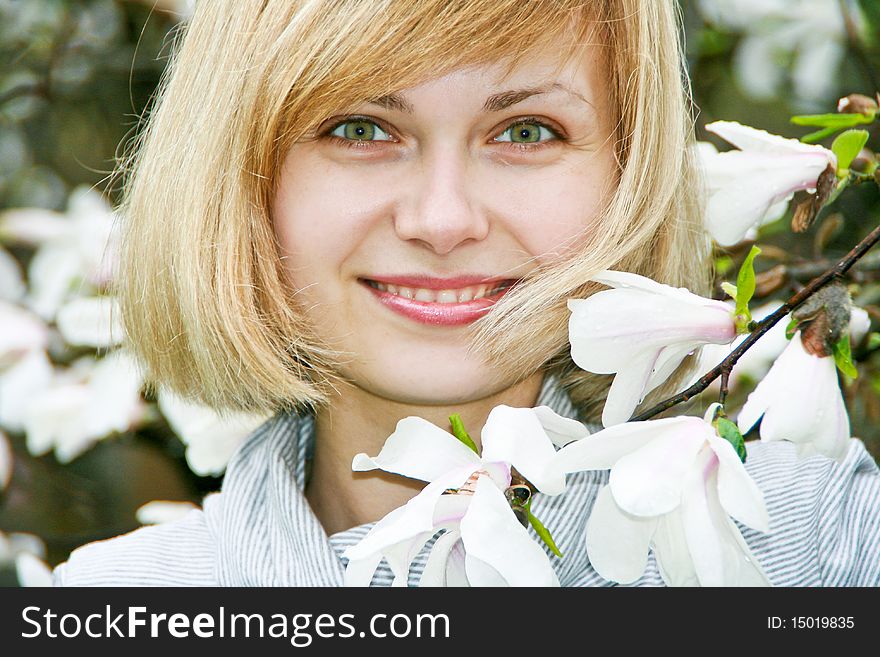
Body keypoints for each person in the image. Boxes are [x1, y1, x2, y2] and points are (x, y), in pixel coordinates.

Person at [53, 0, 879, 586]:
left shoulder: (816, 546)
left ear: (628, 174)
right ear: (244, 179)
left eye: (525, 132)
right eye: (360, 128)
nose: (441, 220)